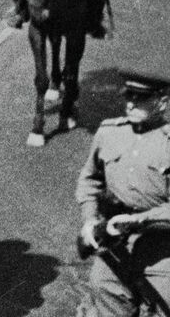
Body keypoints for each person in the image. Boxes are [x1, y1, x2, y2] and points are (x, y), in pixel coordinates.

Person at [74, 69, 170, 317]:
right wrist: (90, 218)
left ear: (163, 101)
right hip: (115, 243)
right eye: (128, 95)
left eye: (140, 97)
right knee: (104, 294)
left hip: (162, 251)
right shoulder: (109, 133)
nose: (130, 103)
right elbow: (89, 179)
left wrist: (139, 220)